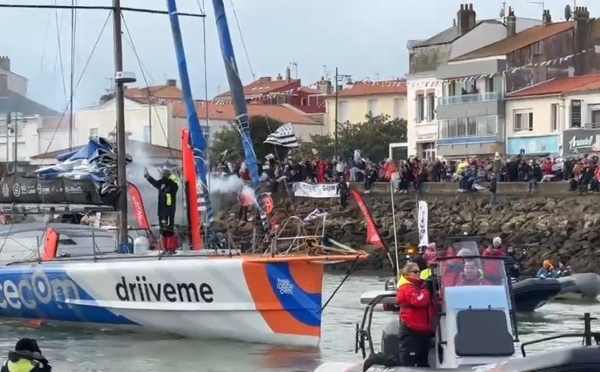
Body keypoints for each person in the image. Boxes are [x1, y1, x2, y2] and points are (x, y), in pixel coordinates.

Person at [396, 262, 435, 367]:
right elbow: (418, 301)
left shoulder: (418, 286)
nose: (418, 274)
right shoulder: (406, 287)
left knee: (423, 362)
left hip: (422, 330)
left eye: (419, 271)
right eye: (415, 272)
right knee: (408, 361)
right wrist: (427, 289)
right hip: (411, 329)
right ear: (407, 273)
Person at [144, 167, 179, 253]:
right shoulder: (161, 184)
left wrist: (172, 175)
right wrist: (147, 176)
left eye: (164, 175)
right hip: (161, 211)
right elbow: (154, 182)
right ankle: (165, 248)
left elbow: (175, 184)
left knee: (169, 230)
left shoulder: (172, 185)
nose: (162, 177)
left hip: (168, 211)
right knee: (163, 230)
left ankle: (171, 249)